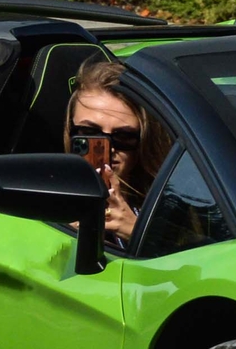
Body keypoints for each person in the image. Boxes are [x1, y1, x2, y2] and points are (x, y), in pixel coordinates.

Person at [64, 59, 170, 245]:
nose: (107, 148)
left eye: (124, 136)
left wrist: (137, 232)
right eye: (89, 133)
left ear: (143, 141)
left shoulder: (168, 201)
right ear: (69, 131)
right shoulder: (44, 192)